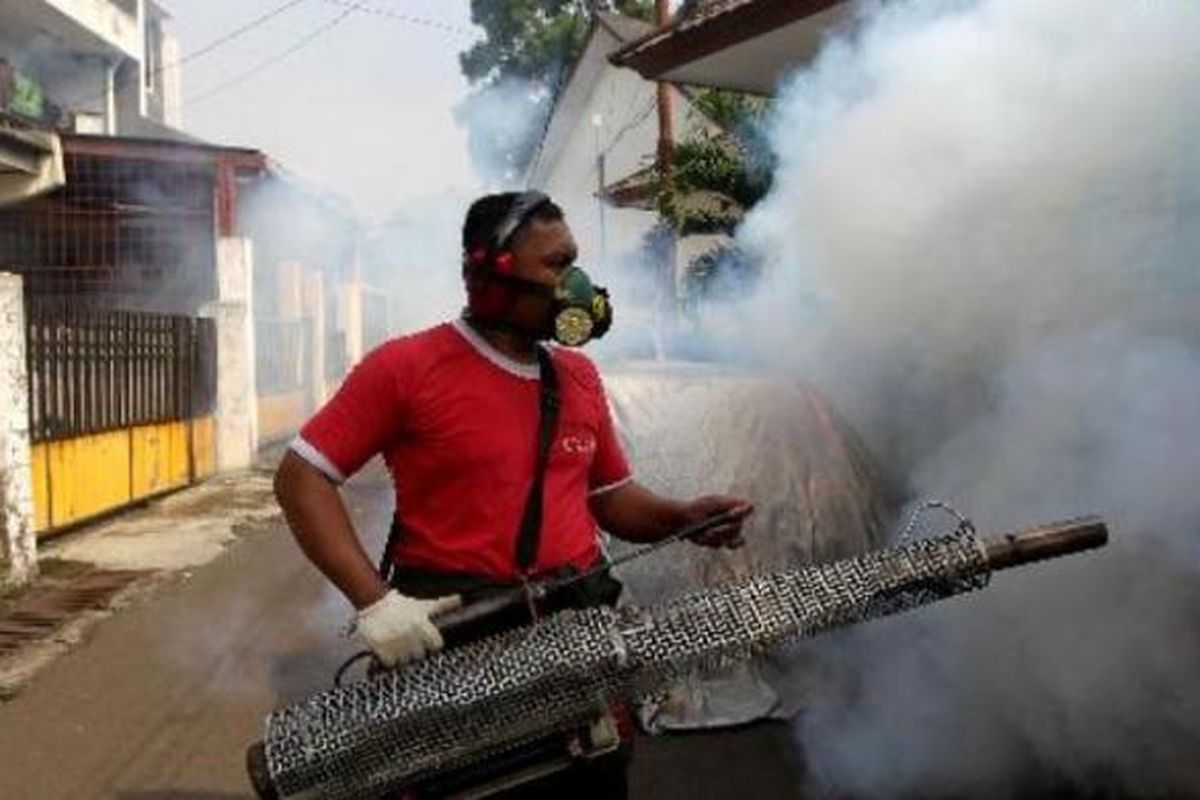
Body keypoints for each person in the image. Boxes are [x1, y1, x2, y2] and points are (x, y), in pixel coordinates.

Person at [273, 190, 753, 798]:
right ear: (491, 272)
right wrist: (375, 604)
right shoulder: (407, 367)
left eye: (574, 259)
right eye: (556, 264)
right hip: (462, 638)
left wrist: (681, 517)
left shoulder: (578, 376)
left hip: (576, 634)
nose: (575, 281)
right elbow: (300, 477)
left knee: (590, 781)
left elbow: (611, 498)